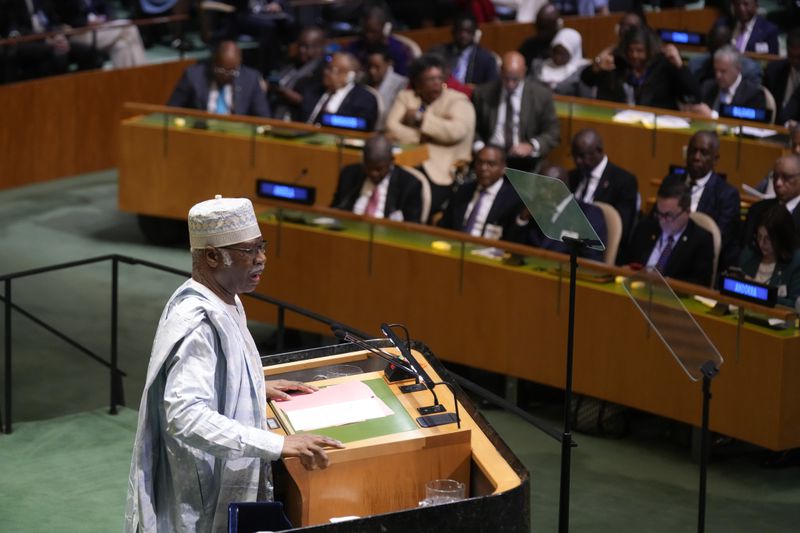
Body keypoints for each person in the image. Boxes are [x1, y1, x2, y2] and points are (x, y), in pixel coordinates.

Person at [125, 196, 344, 532]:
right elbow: (184, 416)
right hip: (202, 489)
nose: (262, 260)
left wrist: (254, 386)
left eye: (262, 246)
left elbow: (217, 372)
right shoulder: (198, 321)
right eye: (249, 251)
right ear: (213, 256)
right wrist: (279, 444)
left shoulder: (225, 296)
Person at [385, 54, 476, 217]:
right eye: (429, 79)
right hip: (407, 159)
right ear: (418, 84)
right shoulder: (407, 97)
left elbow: (456, 132)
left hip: (441, 169)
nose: (436, 83)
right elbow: (391, 128)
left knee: (417, 203)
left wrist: (421, 119)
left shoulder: (458, 101)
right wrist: (426, 135)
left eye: (439, 78)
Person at [661, 131, 741, 271]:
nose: (696, 157)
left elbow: (718, 240)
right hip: (663, 251)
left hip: (697, 262)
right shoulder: (671, 182)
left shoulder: (726, 195)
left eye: (704, 153)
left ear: (715, 159)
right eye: (693, 151)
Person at [472, 51, 560, 172]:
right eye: (506, 78)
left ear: (524, 72)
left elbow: (553, 132)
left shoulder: (541, 95)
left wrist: (531, 146)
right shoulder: (482, 93)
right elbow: (472, 127)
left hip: (525, 161)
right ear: (500, 71)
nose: (510, 84)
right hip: (490, 155)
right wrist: (480, 148)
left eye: (515, 79)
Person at [505, 163, 608, 262]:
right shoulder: (535, 209)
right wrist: (523, 218)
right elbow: (511, 248)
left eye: (546, 186)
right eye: (538, 186)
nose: (540, 192)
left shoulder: (589, 214)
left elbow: (592, 260)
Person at [581, 25, 700, 111]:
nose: (634, 55)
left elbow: (694, 92)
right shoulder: (617, 63)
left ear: (649, 50)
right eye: (631, 50)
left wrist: (679, 66)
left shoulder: (664, 65)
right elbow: (586, 80)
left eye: (639, 51)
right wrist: (597, 65)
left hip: (658, 122)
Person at [626, 180, 715, 287]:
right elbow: (626, 263)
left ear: (687, 211)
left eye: (669, 215)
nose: (663, 221)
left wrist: (666, 282)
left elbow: (700, 284)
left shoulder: (701, 240)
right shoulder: (645, 228)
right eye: (659, 214)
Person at [567, 128, 638, 260]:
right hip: (566, 243)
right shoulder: (572, 177)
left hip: (597, 249)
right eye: (574, 156)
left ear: (599, 151)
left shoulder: (623, 181)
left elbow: (622, 227)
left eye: (583, 156)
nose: (578, 161)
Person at [331, 134, 423, 222]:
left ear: (391, 161)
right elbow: (335, 210)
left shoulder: (409, 184)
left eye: (379, 169)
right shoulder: (349, 174)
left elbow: (412, 226)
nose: (373, 173)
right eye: (369, 167)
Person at [167, 41, 271, 117]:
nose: (226, 75)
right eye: (221, 70)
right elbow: (172, 110)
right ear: (214, 62)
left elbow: (263, 116)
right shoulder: (193, 75)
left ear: (239, 63)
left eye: (232, 71)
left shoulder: (250, 79)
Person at [437, 145, 523, 238]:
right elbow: (444, 226)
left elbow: (514, 237)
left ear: (503, 168)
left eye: (491, 164)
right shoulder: (462, 190)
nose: (483, 168)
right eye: (479, 162)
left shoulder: (513, 198)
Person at [738, 204, 800, 307]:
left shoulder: (796, 263)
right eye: (759, 236)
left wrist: (761, 294)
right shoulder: (749, 255)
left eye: (768, 239)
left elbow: (794, 304)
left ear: (782, 238)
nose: (762, 243)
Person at [57, 0, 147, 69]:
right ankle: (143, 76)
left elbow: (107, 7)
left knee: (121, 46)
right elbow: (62, 18)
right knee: (128, 27)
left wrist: (104, 18)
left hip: (99, 28)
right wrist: (86, 22)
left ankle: (128, 86)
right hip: (76, 33)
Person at [302, 52, 379, 131]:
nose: (326, 72)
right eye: (327, 68)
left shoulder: (364, 98)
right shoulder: (314, 91)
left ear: (350, 76)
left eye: (332, 70)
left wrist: (328, 119)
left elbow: (362, 124)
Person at [269, 26, 327, 121]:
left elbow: (310, 103)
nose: (301, 50)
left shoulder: (323, 70)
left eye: (306, 46)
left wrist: (283, 91)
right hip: (276, 112)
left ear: (319, 47)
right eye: (300, 45)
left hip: (299, 119)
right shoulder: (291, 63)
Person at [742, 154, 800, 248]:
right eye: (775, 176)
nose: (778, 183)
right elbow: (746, 248)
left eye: (786, 177)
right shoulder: (757, 210)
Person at [693, 45, 766, 119]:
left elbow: (750, 123)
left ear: (737, 69)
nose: (718, 76)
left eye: (723, 71)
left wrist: (712, 116)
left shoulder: (753, 93)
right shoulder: (708, 86)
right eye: (716, 70)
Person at [427, 13, 499, 87]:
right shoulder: (438, 52)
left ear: (475, 33)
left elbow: (492, 87)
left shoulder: (486, 58)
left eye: (468, 31)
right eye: (460, 30)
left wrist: (477, 89)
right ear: (453, 31)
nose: (463, 35)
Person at [687, 23, 762, 88]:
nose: (716, 56)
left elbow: (751, 99)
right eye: (712, 51)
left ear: (730, 46)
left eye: (720, 51)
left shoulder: (750, 70)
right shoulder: (697, 65)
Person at [345, 5, 412, 76]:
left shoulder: (397, 50)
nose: (368, 35)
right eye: (366, 30)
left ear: (384, 29)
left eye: (373, 31)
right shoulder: (353, 47)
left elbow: (404, 77)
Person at [532, 27, 591, 97]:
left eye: (563, 54)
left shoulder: (584, 71)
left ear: (573, 53)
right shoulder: (539, 65)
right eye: (555, 51)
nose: (558, 57)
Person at [364, 44, 408, 130]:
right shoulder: (361, 80)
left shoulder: (401, 84)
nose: (372, 71)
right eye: (369, 66)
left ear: (389, 64)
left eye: (377, 67)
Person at [765, 28, 800, 126]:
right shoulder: (774, 71)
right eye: (791, 56)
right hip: (775, 128)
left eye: (799, 57)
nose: (795, 61)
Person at [518, 3, 561, 68]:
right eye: (539, 26)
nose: (541, 32)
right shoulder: (529, 46)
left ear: (555, 26)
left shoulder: (564, 45)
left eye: (546, 27)